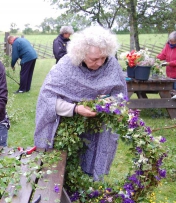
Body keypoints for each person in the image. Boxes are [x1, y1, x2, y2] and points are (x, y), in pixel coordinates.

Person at [34, 26, 127, 181]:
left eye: (103, 58)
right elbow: (47, 99)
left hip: (98, 128)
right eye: (94, 59)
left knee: (93, 159)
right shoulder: (65, 66)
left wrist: (108, 102)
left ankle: (90, 190)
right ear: (81, 54)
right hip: (68, 127)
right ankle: (62, 191)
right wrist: (76, 109)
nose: (99, 63)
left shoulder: (112, 65)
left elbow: (120, 95)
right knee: (63, 167)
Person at [157, 31, 176, 95]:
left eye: (172, 41)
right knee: (170, 93)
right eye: (170, 40)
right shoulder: (168, 45)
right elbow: (163, 55)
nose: (170, 42)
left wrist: (169, 63)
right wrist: (156, 59)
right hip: (169, 75)